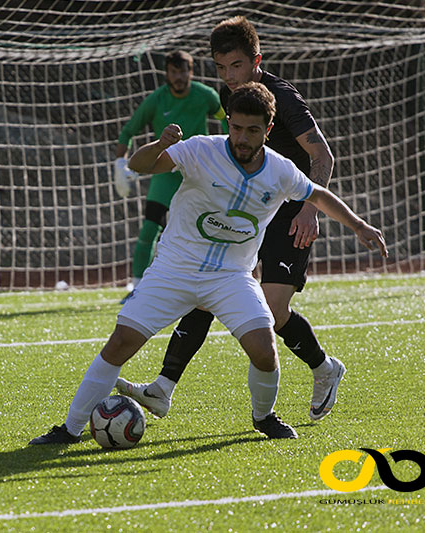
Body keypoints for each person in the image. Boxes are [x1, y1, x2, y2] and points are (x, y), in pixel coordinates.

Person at [30, 82, 387, 444]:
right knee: (121, 341)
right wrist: (160, 144)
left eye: (252, 130)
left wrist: (359, 225)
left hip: (231, 277)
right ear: (227, 122)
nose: (242, 138)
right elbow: (139, 166)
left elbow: (319, 195)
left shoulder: (280, 170)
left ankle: (264, 418)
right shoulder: (201, 149)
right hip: (175, 268)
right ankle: (69, 429)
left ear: (268, 130)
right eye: (236, 127)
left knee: (265, 350)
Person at [117, 16, 344, 422]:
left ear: (256, 60)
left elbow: (322, 155)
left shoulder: (283, 99)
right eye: (221, 68)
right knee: (207, 284)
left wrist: (311, 208)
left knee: (274, 312)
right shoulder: (229, 94)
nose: (229, 77)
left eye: (236, 66)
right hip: (250, 209)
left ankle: (325, 368)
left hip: (291, 210)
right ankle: (163, 388)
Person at [113, 50, 226, 303]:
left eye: (183, 71)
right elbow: (128, 131)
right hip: (165, 175)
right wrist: (120, 164)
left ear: (191, 72)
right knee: (149, 229)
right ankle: (138, 287)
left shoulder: (206, 96)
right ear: (167, 73)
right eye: (174, 72)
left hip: (198, 175)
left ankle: (212, 282)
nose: (179, 77)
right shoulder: (156, 100)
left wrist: (229, 153)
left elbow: (227, 119)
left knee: (206, 229)